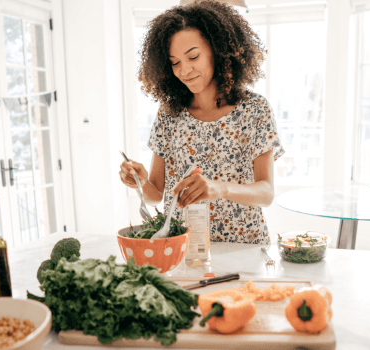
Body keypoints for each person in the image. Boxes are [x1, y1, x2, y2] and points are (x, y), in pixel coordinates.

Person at [119, 0, 284, 244]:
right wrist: (141, 181)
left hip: (243, 248)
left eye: (193, 56)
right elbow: (156, 194)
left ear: (217, 50)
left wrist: (220, 188)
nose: (184, 70)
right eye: (175, 62)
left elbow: (266, 193)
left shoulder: (254, 110)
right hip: (183, 249)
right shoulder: (169, 114)